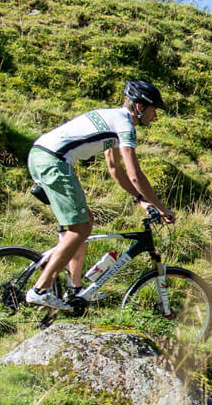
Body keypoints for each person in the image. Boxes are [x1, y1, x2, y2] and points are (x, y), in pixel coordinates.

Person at [24, 80, 177, 310]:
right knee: (81, 228)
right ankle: (41, 289)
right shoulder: (125, 124)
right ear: (139, 106)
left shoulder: (114, 119)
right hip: (53, 161)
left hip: (42, 155)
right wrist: (162, 207)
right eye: (154, 110)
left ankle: (76, 290)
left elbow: (115, 170)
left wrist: (142, 201)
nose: (155, 116)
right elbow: (134, 174)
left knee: (83, 224)